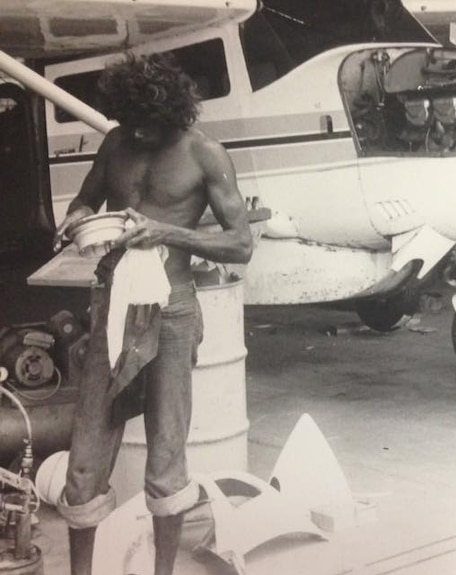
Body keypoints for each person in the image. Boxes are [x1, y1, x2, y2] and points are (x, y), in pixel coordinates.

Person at [52, 52, 253, 574]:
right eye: (128, 122)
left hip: (173, 308)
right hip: (113, 304)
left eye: (146, 126)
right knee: (85, 463)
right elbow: (84, 199)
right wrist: (74, 221)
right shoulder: (117, 141)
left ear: (170, 114)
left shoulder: (206, 154)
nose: (135, 135)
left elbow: (240, 243)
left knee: (166, 461)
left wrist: (168, 232)